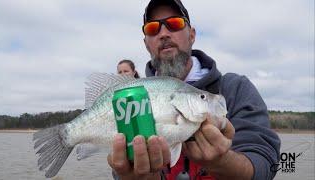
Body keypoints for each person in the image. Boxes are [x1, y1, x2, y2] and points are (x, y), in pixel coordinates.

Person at [107, 0, 281, 180]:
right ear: (146, 44)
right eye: (152, 28)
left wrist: (224, 162)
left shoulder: (235, 88)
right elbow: (120, 165)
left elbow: (266, 163)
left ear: (192, 35)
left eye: (175, 24)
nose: (164, 33)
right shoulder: (129, 98)